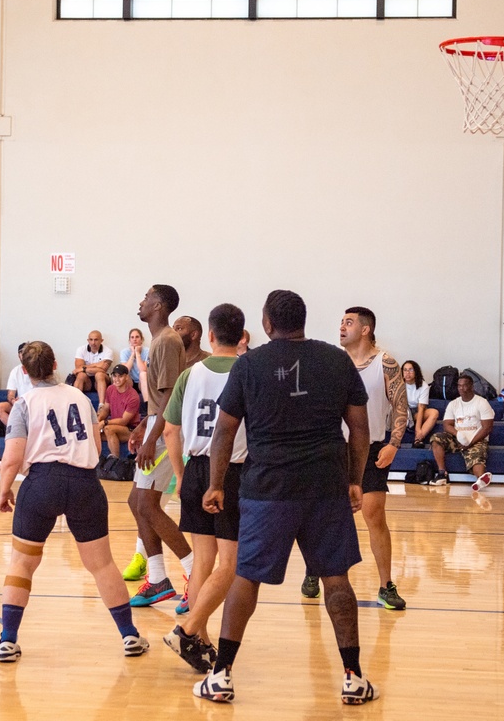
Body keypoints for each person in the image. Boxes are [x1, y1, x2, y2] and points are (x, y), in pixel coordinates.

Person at [192, 290, 378, 705]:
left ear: (267, 324)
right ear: (304, 321)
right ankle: (353, 677)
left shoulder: (249, 365)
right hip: (325, 488)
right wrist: (355, 479)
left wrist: (217, 483)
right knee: (336, 578)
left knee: (246, 577)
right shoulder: (336, 359)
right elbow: (360, 430)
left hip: (266, 491)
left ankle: (221, 675)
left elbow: (224, 432)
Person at [0, 341, 149, 663]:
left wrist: (5, 489)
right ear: (54, 365)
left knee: (22, 563)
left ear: (24, 372)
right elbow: (94, 443)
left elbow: (11, 458)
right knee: (102, 564)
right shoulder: (81, 397)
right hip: (84, 484)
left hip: (41, 484)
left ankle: (8, 640)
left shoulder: (24, 403)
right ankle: (129, 635)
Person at [162, 303, 248, 674]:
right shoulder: (249, 371)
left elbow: (170, 429)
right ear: (242, 336)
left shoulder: (190, 373)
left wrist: (180, 476)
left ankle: (201, 641)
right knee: (231, 563)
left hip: (196, 468)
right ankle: (187, 629)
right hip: (231, 471)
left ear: (210, 336)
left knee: (204, 562)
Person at [330, 306, 409, 612]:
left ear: (365, 329)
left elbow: (401, 407)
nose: (341, 327)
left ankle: (386, 585)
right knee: (328, 516)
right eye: (341, 322)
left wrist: (394, 444)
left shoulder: (385, 362)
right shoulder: (335, 363)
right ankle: (316, 572)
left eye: (348, 322)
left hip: (372, 447)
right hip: (336, 448)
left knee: (374, 514)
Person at [121, 285, 193, 607]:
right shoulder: (160, 340)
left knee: (146, 505)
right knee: (137, 502)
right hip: (156, 423)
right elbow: (160, 400)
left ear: (159, 305)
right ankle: (158, 578)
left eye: (146, 296)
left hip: (166, 429)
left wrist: (152, 437)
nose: (141, 301)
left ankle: (194, 572)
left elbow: (168, 398)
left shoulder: (165, 340)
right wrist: (142, 426)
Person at [429, 374, 495, 490]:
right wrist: (457, 434)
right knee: (436, 438)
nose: (461, 389)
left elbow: (487, 428)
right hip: (458, 438)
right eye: (459, 386)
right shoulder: (453, 404)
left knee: (477, 456)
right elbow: (446, 424)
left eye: (465, 386)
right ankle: (442, 474)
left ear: (471, 386)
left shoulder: (482, 402)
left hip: (477, 439)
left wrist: (470, 443)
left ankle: (480, 478)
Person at [96, 364, 141, 458]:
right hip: (114, 425)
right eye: (115, 376)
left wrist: (104, 422)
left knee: (108, 429)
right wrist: (98, 420)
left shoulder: (133, 396)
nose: (117, 379)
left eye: (120, 376)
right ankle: (97, 462)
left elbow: (124, 421)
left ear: (126, 377)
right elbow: (106, 409)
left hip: (130, 429)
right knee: (92, 432)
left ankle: (115, 460)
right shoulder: (110, 389)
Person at [403, 360, 440, 447]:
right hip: (403, 411)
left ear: (416, 372)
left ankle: (418, 439)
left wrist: (418, 429)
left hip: (416, 411)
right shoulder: (399, 384)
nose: (407, 373)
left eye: (411, 370)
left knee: (434, 413)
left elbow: (421, 407)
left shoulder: (423, 385)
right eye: (405, 370)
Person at [71, 330, 113, 406]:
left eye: (96, 340)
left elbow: (103, 369)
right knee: (81, 375)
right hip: (87, 381)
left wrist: (84, 368)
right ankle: (75, 405)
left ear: (101, 340)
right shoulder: (81, 349)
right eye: (91, 339)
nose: (93, 342)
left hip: (102, 380)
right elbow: (78, 368)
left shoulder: (108, 351)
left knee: (99, 374)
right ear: (88, 340)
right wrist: (97, 365)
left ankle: (101, 406)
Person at [0, 342, 32, 425]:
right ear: (19, 355)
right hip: (21, 404)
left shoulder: (38, 369)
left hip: (35, 403)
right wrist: (13, 400)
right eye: (23, 353)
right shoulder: (15, 371)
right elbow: (10, 394)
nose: (26, 355)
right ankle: (14, 430)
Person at [119, 328, 150, 395]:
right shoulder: (124, 352)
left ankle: (147, 403)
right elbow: (125, 370)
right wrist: (133, 353)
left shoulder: (148, 351)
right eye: (132, 337)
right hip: (130, 381)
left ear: (141, 340)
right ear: (129, 340)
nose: (134, 339)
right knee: (124, 375)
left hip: (143, 381)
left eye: (137, 337)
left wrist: (137, 353)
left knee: (143, 374)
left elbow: (143, 369)